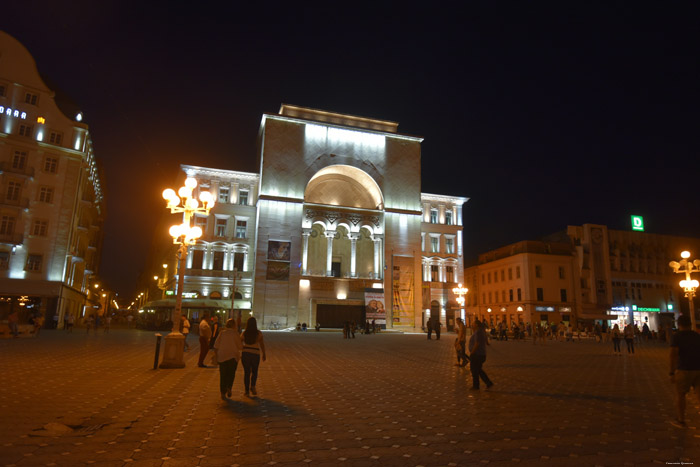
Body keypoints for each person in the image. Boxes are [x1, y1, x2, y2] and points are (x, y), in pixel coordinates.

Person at [669, 315, 700, 428]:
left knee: (681, 395)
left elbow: (673, 355)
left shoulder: (677, 336)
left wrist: (671, 372)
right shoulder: (697, 335)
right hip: (698, 369)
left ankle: (681, 420)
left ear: (679, 324)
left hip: (684, 369)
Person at [214, 317, 242, 400]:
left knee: (223, 375)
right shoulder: (235, 334)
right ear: (234, 325)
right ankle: (229, 387)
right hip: (232, 356)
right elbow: (240, 346)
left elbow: (216, 345)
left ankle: (223, 392)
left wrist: (216, 355)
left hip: (222, 356)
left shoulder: (222, 333)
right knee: (231, 374)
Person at [241, 316, 266, 397]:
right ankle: (253, 386)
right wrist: (264, 353)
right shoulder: (258, 333)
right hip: (255, 353)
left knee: (247, 372)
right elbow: (262, 344)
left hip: (246, 353)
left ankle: (246, 391)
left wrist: (242, 348)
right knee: (255, 371)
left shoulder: (244, 333)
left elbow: (239, 342)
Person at [468, 320, 493, 390]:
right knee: (478, 370)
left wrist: (472, 353)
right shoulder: (480, 331)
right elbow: (485, 341)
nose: (472, 325)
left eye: (473, 323)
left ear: (476, 325)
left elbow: (477, 343)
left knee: (474, 370)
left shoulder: (478, 332)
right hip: (480, 354)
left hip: (477, 354)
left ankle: (476, 386)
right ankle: (487, 383)